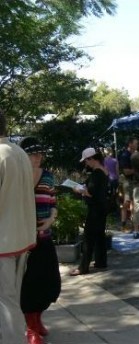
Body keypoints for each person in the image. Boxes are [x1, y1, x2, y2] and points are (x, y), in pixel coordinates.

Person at [19, 137, 61, 344]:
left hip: (44, 237)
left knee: (48, 281)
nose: (38, 157)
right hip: (23, 239)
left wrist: (51, 219)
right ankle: (29, 326)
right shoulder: (17, 175)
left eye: (40, 154)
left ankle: (38, 319)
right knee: (28, 284)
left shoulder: (48, 176)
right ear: (23, 155)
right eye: (33, 154)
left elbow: (53, 201)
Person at [0, 112, 36, 344]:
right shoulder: (19, 152)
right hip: (21, 236)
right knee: (11, 299)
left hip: (3, 240)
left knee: (5, 301)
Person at [70, 148, 109, 276]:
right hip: (102, 207)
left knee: (89, 237)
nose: (86, 164)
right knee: (99, 235)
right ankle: (101, 261)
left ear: (92, 159)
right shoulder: (104, 171)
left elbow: (90, 192)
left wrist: (79, 190)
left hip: (95, 209)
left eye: (86, 160)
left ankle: (83, 267)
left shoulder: (96, 173)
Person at [118, 137, 138, 231]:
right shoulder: (125, 155)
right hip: (127, 182)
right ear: (130, 144)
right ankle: (123, 224)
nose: (137, 145)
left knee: (134, 203)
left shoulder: (134, 154)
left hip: (134, 182)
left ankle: (134, 224)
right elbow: (126, 171)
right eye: (135, 143)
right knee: (126, 202)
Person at [104, 146, 119, 213]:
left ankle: (108, 210)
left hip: (107, 180)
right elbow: (117, 171)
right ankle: (115, 210)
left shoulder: (103, 161)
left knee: (107, 195)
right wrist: (118, 179)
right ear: (111, 152)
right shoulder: (115, 160)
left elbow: (104, 171)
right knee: (115, 195)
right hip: (114, 179)